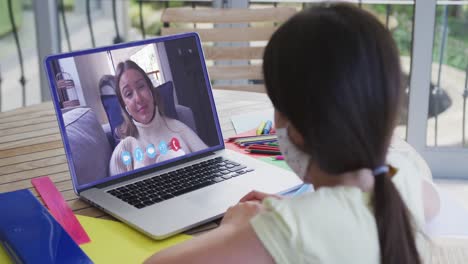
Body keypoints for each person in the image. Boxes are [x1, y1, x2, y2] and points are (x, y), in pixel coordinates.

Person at [145, 4, 440, 264]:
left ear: (295, 132)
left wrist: (235, 230)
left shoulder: (286, 231)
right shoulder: (405, 179)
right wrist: (305, 212)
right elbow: (428, 203)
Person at [109, 60, 207, 175]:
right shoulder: (124, 150)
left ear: (151, 92)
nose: (138, 98)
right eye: (129, 94)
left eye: (141, 86)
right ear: (126, 108)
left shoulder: (179, 129)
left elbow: (212, 163)